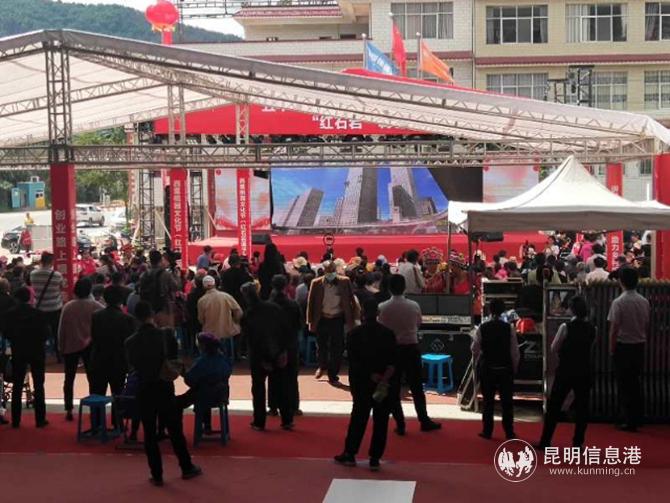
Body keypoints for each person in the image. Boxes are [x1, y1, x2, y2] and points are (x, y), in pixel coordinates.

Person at [125, 301, 202, 486]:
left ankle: (157, 474)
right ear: (152, 314)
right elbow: (174, 359)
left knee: (149, 433)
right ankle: (186, 466)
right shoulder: (166, 335)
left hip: (144, 388)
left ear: (136, 317)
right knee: (175, 430)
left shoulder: (130, 342)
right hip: (164, 387)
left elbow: (131, 365)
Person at [334, 299, 398, 471]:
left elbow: (353, 361)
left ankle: (350, 453)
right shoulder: (388, 334)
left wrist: (371, 375)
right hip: (383, 383)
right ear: (378, 314)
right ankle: (375, 458)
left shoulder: (353, 334)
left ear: (362, 313)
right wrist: (384, 378)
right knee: (381, 420)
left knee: (358, 418)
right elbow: (393, 361)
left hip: (362, 382)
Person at [378, 274, 441, 433]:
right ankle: (424, 420)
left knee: (394, 388)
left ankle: (400, 424)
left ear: (389, 288)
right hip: (411, 348)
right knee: (417, 387)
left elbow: (381, 329)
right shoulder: (414, 305)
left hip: (393, 351)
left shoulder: (383, 307)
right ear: (404, 287)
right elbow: (419, 323)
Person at [537, 296, 596, 449]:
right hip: (584, 371)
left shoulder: (565, 327)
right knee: (582, 409)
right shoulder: (592, 328)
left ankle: (545, 440)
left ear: (572, 310)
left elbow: (554, 347)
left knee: (554, 406)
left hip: (565, 370)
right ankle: (577, 443)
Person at [241, 282, 294, 431]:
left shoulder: (249, 314)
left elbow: (251, 340)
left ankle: (259, 422)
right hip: (278, 351)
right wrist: (283, 351)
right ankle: (287, 419)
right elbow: (286, 330)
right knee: (281, 387)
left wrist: (261, 359)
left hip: (259, 356)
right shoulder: (274, 308)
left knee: (258, 390)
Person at [471, 298, 520, 440]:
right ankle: (509, 432)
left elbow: (474, 348)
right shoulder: (509, 328)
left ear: (489, 310)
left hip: (487, 368)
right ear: (503, 310)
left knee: (488, 401)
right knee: (507, 402)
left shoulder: (482, 327)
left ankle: (487, 431)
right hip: (505, 369)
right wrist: (514, 368)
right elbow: (515, 352)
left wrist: (479, 359)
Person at [608, 267, 649, 432]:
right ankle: (638, 418)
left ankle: (627, 419)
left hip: (623, 346)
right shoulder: (644, 301)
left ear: (621, 281)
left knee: (624, 384)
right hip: (639, 346)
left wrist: (611, 349)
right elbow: (646, 324)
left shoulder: (618, 302)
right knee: (636, 383)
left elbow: (614, 329)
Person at [89, 286, 137, 428]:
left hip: (98, 359)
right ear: (121, 300)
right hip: (118, 361)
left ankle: (96, 424)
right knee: (118, 393)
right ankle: (118, 423)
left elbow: (94, 338)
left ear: (105, 298)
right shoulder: (127, 319)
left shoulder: (96, 316)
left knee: (97, 393)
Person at [306, 260, 359, 384]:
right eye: (328, 271)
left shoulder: (344, 282)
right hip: (322, 318)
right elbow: (311, 303)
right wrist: (310, 321)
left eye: (332, 271)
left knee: (337, 347)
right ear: (324, 272)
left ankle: (333, 373)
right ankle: (322, 366)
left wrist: (354, 318)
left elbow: (352, 300)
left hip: (337, 318)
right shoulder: (316, 283)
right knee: (321, 346)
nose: (330, 274)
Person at [58, 277, 103, 421]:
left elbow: (61, 329)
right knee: (93, 378)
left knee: (69, 378)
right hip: (90, 346)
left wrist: (61, 346)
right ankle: (94, 409)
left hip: (71, 345)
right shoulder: (96, 306)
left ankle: (69, 409)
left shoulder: (68, 307)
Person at [4, 287, 49, 428]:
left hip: (19, 350)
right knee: (39, 384)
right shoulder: (39, 314)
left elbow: (6, 333)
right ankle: (40, 419)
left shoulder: (10, 314)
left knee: (17, 385)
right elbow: (46, 334)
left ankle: (16, 420)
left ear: (16, 298)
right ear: (29, 298)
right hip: (37, 351)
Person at [183, 332, 233, 434]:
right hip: (222, 394)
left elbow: (190, 380)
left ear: (203, 346)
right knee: (205, 388)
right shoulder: (224, 359)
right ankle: (207, 425)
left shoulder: (201, 362)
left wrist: (183, 373)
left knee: (197, 393)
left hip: (204, 395)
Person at [268, 274, 302, 417]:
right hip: (290, 343)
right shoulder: (293, 304)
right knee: (291, 376)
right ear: (286, 286)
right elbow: (299, 325)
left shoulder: (268, 306)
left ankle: (273, 406)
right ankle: (293, 406)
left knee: (273, 376)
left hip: (274, 345)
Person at [30, 252, 65, 362]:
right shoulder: (57, 275)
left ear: (41, 261)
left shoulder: (33, 274)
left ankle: (40, 356)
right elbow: (62, 287)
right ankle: (59, 355)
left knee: (39, 334)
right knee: (56, 333)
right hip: (55, 308)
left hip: (39, 308)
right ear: (52, 262)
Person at [197, 275, 243, 356]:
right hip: (227, 331)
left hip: (209, 334)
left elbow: (201, 319)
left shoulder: (202, 301)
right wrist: (235, 321)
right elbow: (239, 311)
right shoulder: (226, 296)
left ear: (203, 286)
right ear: (214, 284)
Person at [139, 250, 179, 329]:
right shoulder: (166, 274)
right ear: (160, 260)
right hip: (164, 308)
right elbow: (176, 286)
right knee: (166, 332)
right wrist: (176, 275)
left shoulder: (144, 275)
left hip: (149, 309)